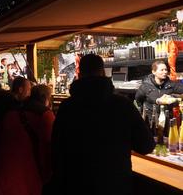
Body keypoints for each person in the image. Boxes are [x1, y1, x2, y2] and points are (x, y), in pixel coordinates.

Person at [51, 54, 155, 195]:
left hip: (76, 185)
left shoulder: (67, 107)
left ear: (79, 74)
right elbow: (146, 145)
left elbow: (56, 149)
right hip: (115, 184)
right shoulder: (122, 105)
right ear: (102, 72)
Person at [0, 84, 55, 195]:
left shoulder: (11, 112)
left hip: (3, 172)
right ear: (46, 98)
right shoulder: (45, 115)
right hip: (30, 173)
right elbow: (51, 144)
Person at [135, 60, 183, 126]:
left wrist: (174, 98)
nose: (165, 72)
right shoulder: (145, 85)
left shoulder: (170, 84)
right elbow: (138, 99)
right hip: (151, 120)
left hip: (167, 120)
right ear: (154, 72)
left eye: (166, 70)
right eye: (162, 70)